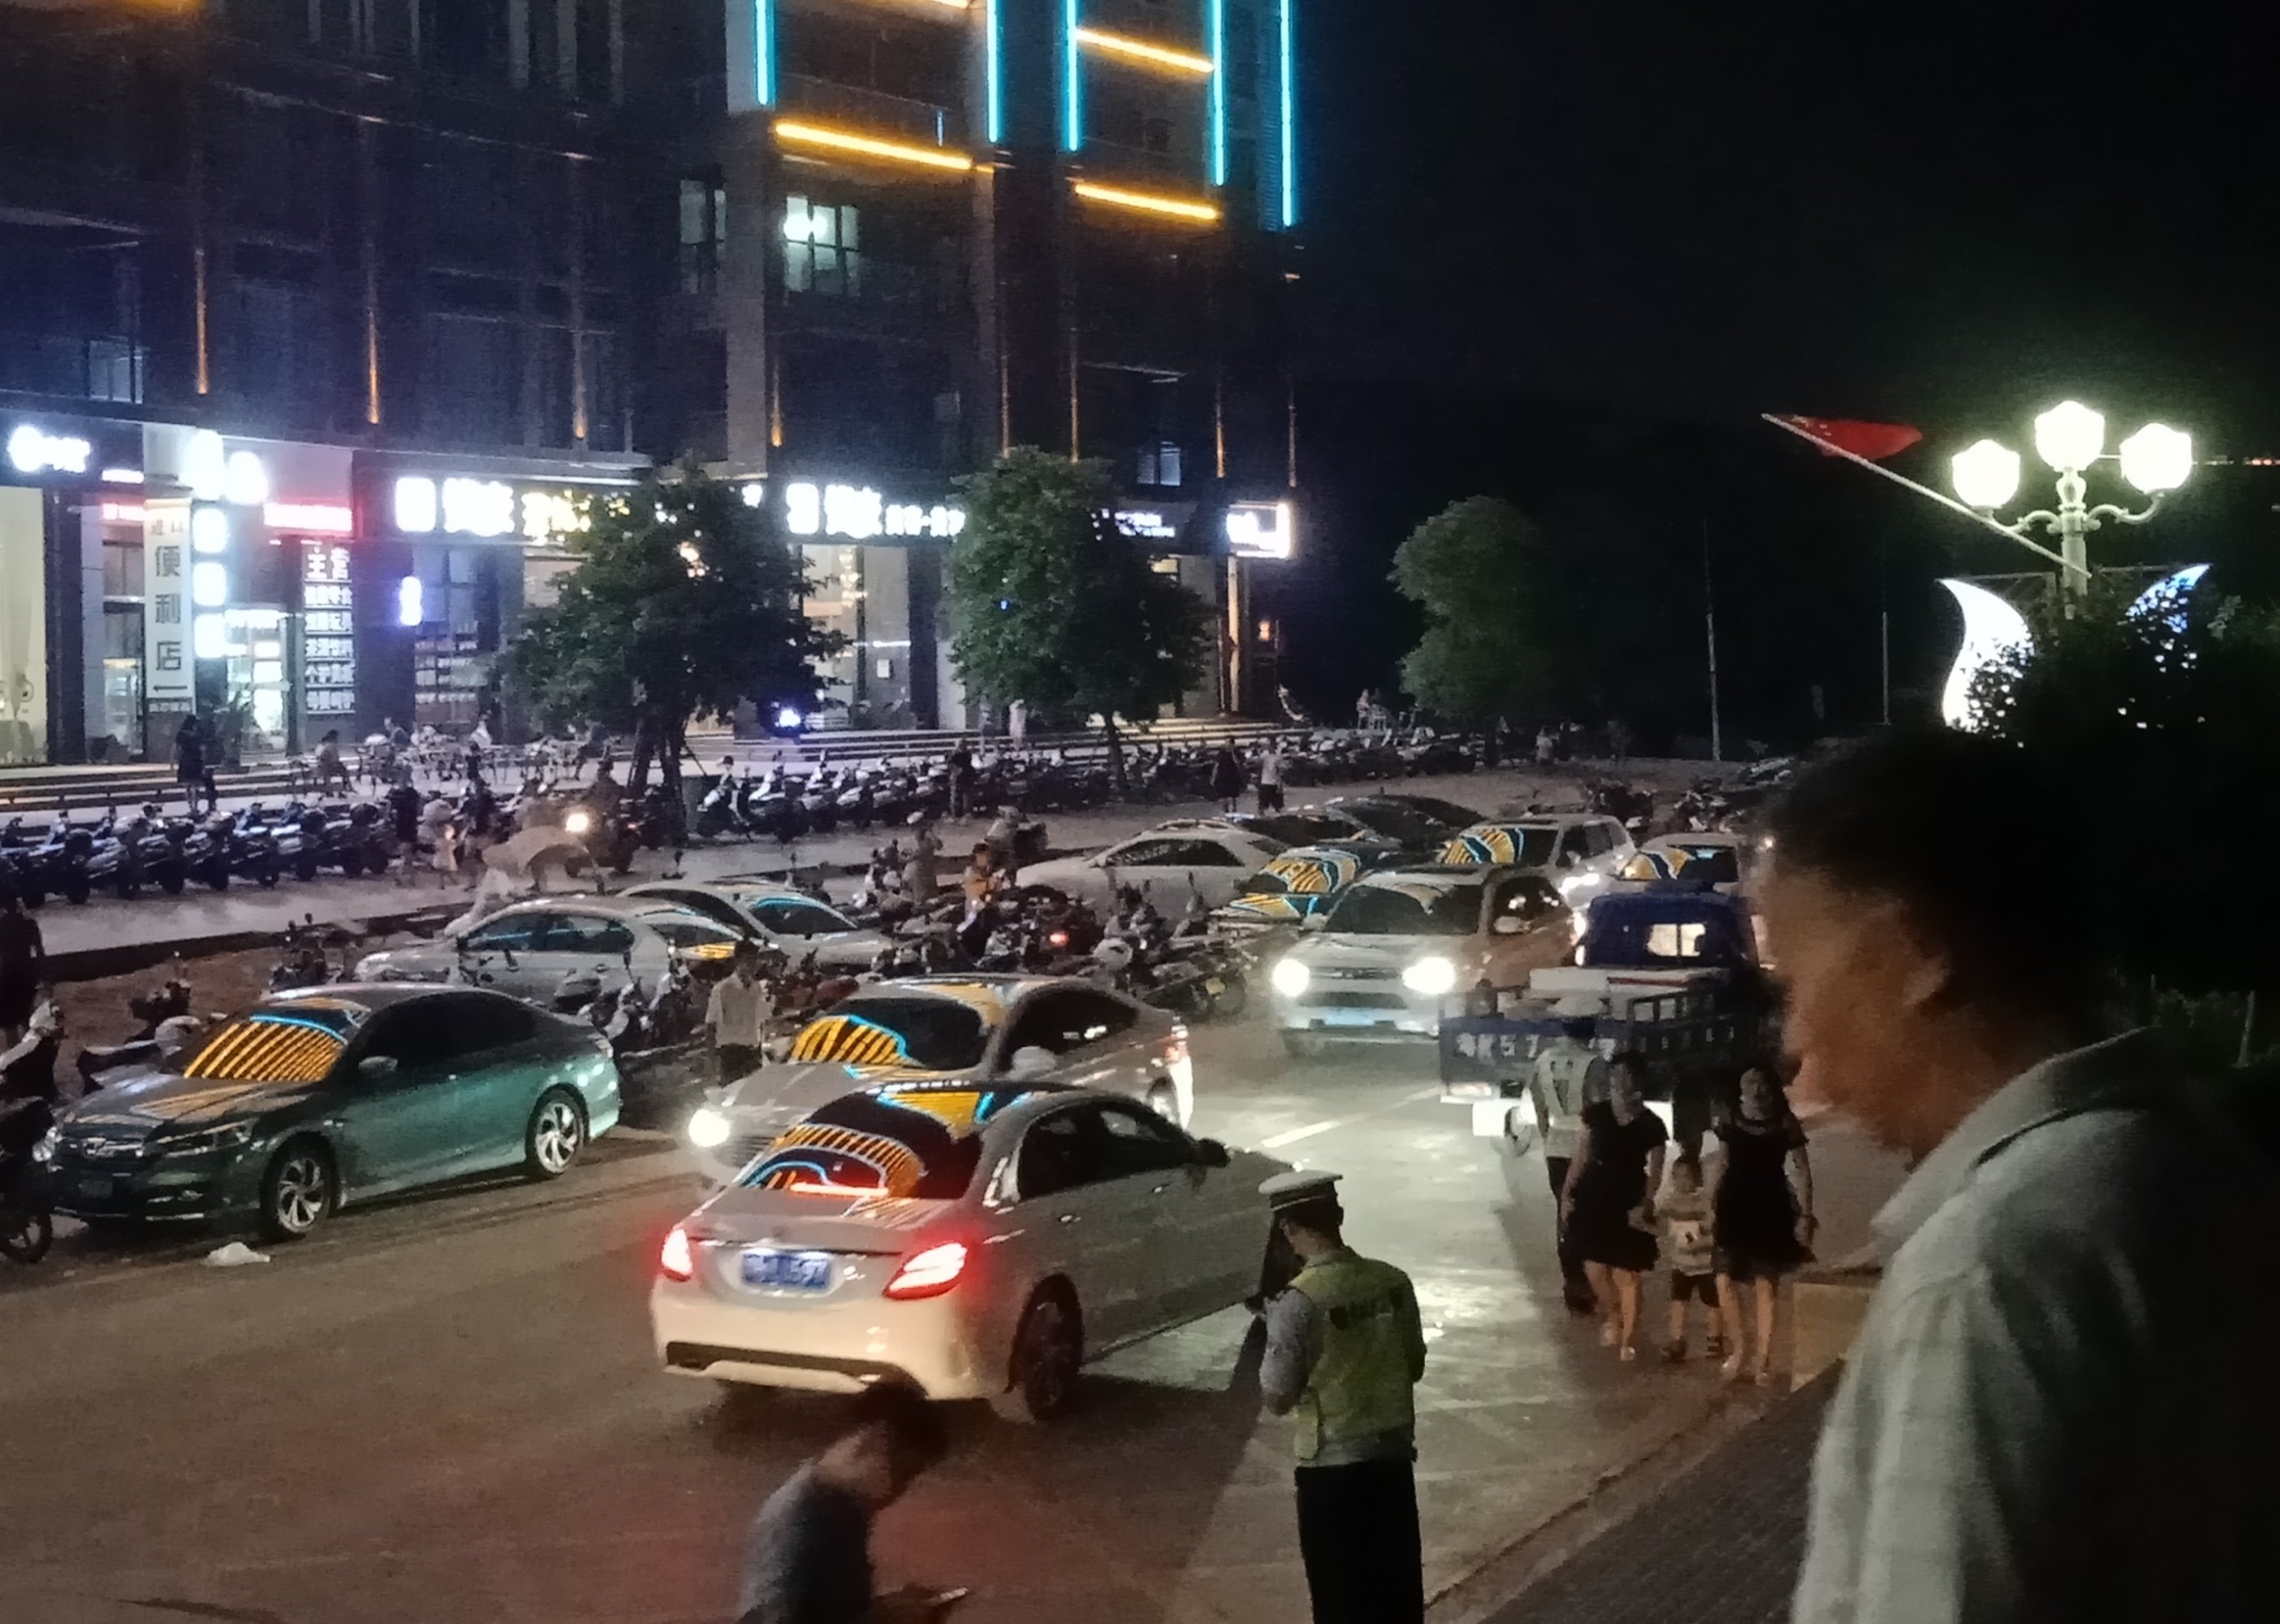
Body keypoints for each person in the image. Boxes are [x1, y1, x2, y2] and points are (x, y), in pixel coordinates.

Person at [1776, 730, 2280, 1624]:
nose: (1795, 1038)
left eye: (1794, 977)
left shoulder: (1990, 1266)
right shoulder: (2196, 1168)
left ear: (1916, 953)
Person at [1259, 1171, 1427, 1624]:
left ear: (1288, 1229)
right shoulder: (1392, 1282)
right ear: (1339, 1216)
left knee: (1341, 1600)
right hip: (1392, 1461)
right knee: (1398, 1594)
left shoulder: (1297, 1303)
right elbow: (1413, 1365)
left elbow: (1276, 1396)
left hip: (1332, 1472)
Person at [736, 1378, 956, 1624]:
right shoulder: (796, 1521)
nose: (899, 1491)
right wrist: (887, 1617)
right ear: (874, 1443)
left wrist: (894, 1607)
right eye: (901, 1474)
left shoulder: (843, 1508)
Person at [1711, 1061, 1815, 1384]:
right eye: (1749, 1081)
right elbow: (1722, 1163)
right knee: (1724, 1279)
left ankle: (1764, 1360)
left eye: (1761, 1082)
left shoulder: (1784, 1121)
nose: (1755, 1088)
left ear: (1770, 1087)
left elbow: (1802, 1170)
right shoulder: (1730, 1117)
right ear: (1740, 1087)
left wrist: (1806, 1214)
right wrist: (1709, 1205)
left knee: (1765, 1284)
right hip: (1733, 1203)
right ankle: (1740, 1347)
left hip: (1771, 1205)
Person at [1560, 1052, 1668, 1359]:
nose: (1620, 1081)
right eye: (1615, 1075)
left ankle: (1628, 1339)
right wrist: (1567, 1192)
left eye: (1627, 1075)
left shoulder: (1652, 1124)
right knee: (1594, 1267)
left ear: (1639, 1079)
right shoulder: (1597, 1115)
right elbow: (1582, 1155)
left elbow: (1656, 1171)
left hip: (1629, 1197)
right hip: (1594, 1194)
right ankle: (1614, 1313)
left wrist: (1647, 1202)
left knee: (1627, 1272)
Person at [1527, 1017, 1605, 1314]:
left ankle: (1572, 1283)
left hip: (1556, 1146)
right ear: (1591, 1031)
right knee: (1589, 1216)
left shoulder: (1544, 1059)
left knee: (1564, 1213)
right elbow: (1598, 1107)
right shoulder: (1594, 1063)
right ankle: (1587, 1283)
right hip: (1586, 1146)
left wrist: (1549, 1134)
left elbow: (1538, 1102)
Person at [1659, 1151, 1724, 1363]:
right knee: (1678, 1302)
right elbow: (1662, 1222)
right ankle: (1676, 1339)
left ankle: (1714, 1338)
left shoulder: (1703, 1202)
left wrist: (1699, 1236)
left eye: (1686, 1177)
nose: (1681, 1182)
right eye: (1676, 1177)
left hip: (1705, 1264)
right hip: (1681, 1264)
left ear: (1697, 1179)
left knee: (1712, 1303)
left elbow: (1711, 1227)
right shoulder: (1671, 1201)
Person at [707, 944, 771, 1084]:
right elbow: (711, 1026)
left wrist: (761, 1050)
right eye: (747, 960)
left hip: (752, 1053)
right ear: (737, 961)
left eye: (754, 960)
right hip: (731, 1055)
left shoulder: (757, 989)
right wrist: (713, 1064)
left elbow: (761, 1022)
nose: (750, 965)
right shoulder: (722, 989)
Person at [0, 892, 45, 1047]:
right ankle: (29, 1050)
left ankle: (14, 1053)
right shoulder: (29, 924)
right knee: (27, 1015)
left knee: (9, 1020)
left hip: (7, 974)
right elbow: (40, 952)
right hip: (26, 973)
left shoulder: (2, 926)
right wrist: (43, 974)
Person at [174, 710, 208, 814]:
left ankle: (190, 807)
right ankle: (195, 807)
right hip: (197, 760)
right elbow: (202, 749)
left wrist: (173, 761)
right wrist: (204, 762)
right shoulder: (198, 735)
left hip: (185, 760)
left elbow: (177, 749)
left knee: (187, 786)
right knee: (196, 786)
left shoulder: (181, 735)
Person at [902, 818, 941, 908]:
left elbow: (937, 845)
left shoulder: (926, 834)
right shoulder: (920, 835)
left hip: (924, 866)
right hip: (922, 866)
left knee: (922, 888)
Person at [1208, 745, 1244, 814]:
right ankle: (1232, 812)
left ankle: (1226, 812)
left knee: (1225, 798)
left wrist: (1213, 779)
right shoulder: (1233, 758)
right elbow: (1238, 767)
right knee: (1231, 798)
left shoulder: (1220, 760)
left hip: (1223, 780)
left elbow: (1215, 769)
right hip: (1232, 779)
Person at [314, 728, 351, 794]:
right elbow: (334, 757)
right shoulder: (330, 746)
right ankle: (346, 786)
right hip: (329, 766)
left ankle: (332, 789)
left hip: (325, 766)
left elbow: (319, 756)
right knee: (344, 771)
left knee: (331, 772)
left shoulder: (323, 746)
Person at [947, 743, 975, 821]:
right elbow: (950, 764)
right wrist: (957, 770)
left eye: (964, 745)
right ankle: (955, 814)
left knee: (967, 796)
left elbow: (969, 764)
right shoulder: (953, 754)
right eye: (961, 745)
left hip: (967, 777)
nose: (963, 747)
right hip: (957, 778)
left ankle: (967, 812)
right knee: (955, 796)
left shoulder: (967, 754)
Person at [1256, 742, 1287, 813]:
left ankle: (1277, 812)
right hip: (1266, 781)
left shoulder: (1277, 756)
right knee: (1264, 803)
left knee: (1277, 803)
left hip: (1274, 782)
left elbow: (1282, 769)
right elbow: (1258, 762)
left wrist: (1280, 781)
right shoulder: (1265, 755)